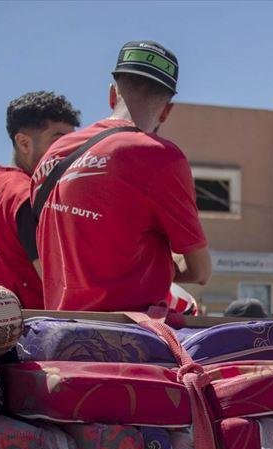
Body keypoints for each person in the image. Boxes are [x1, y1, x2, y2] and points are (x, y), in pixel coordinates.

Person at [33, 40, 212, 312]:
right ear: (166, 111)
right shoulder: (160, 157)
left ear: (112, 94)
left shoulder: (55, 153)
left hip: (56, 333)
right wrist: (163, 266)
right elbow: (200, 271)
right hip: (125, 341)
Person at [0, 91, 80, 308]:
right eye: (60, 141)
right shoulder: (27, 196)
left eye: (73, 142)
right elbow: (61, 286)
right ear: (23, 143)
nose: (70, 152)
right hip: (35, 330)